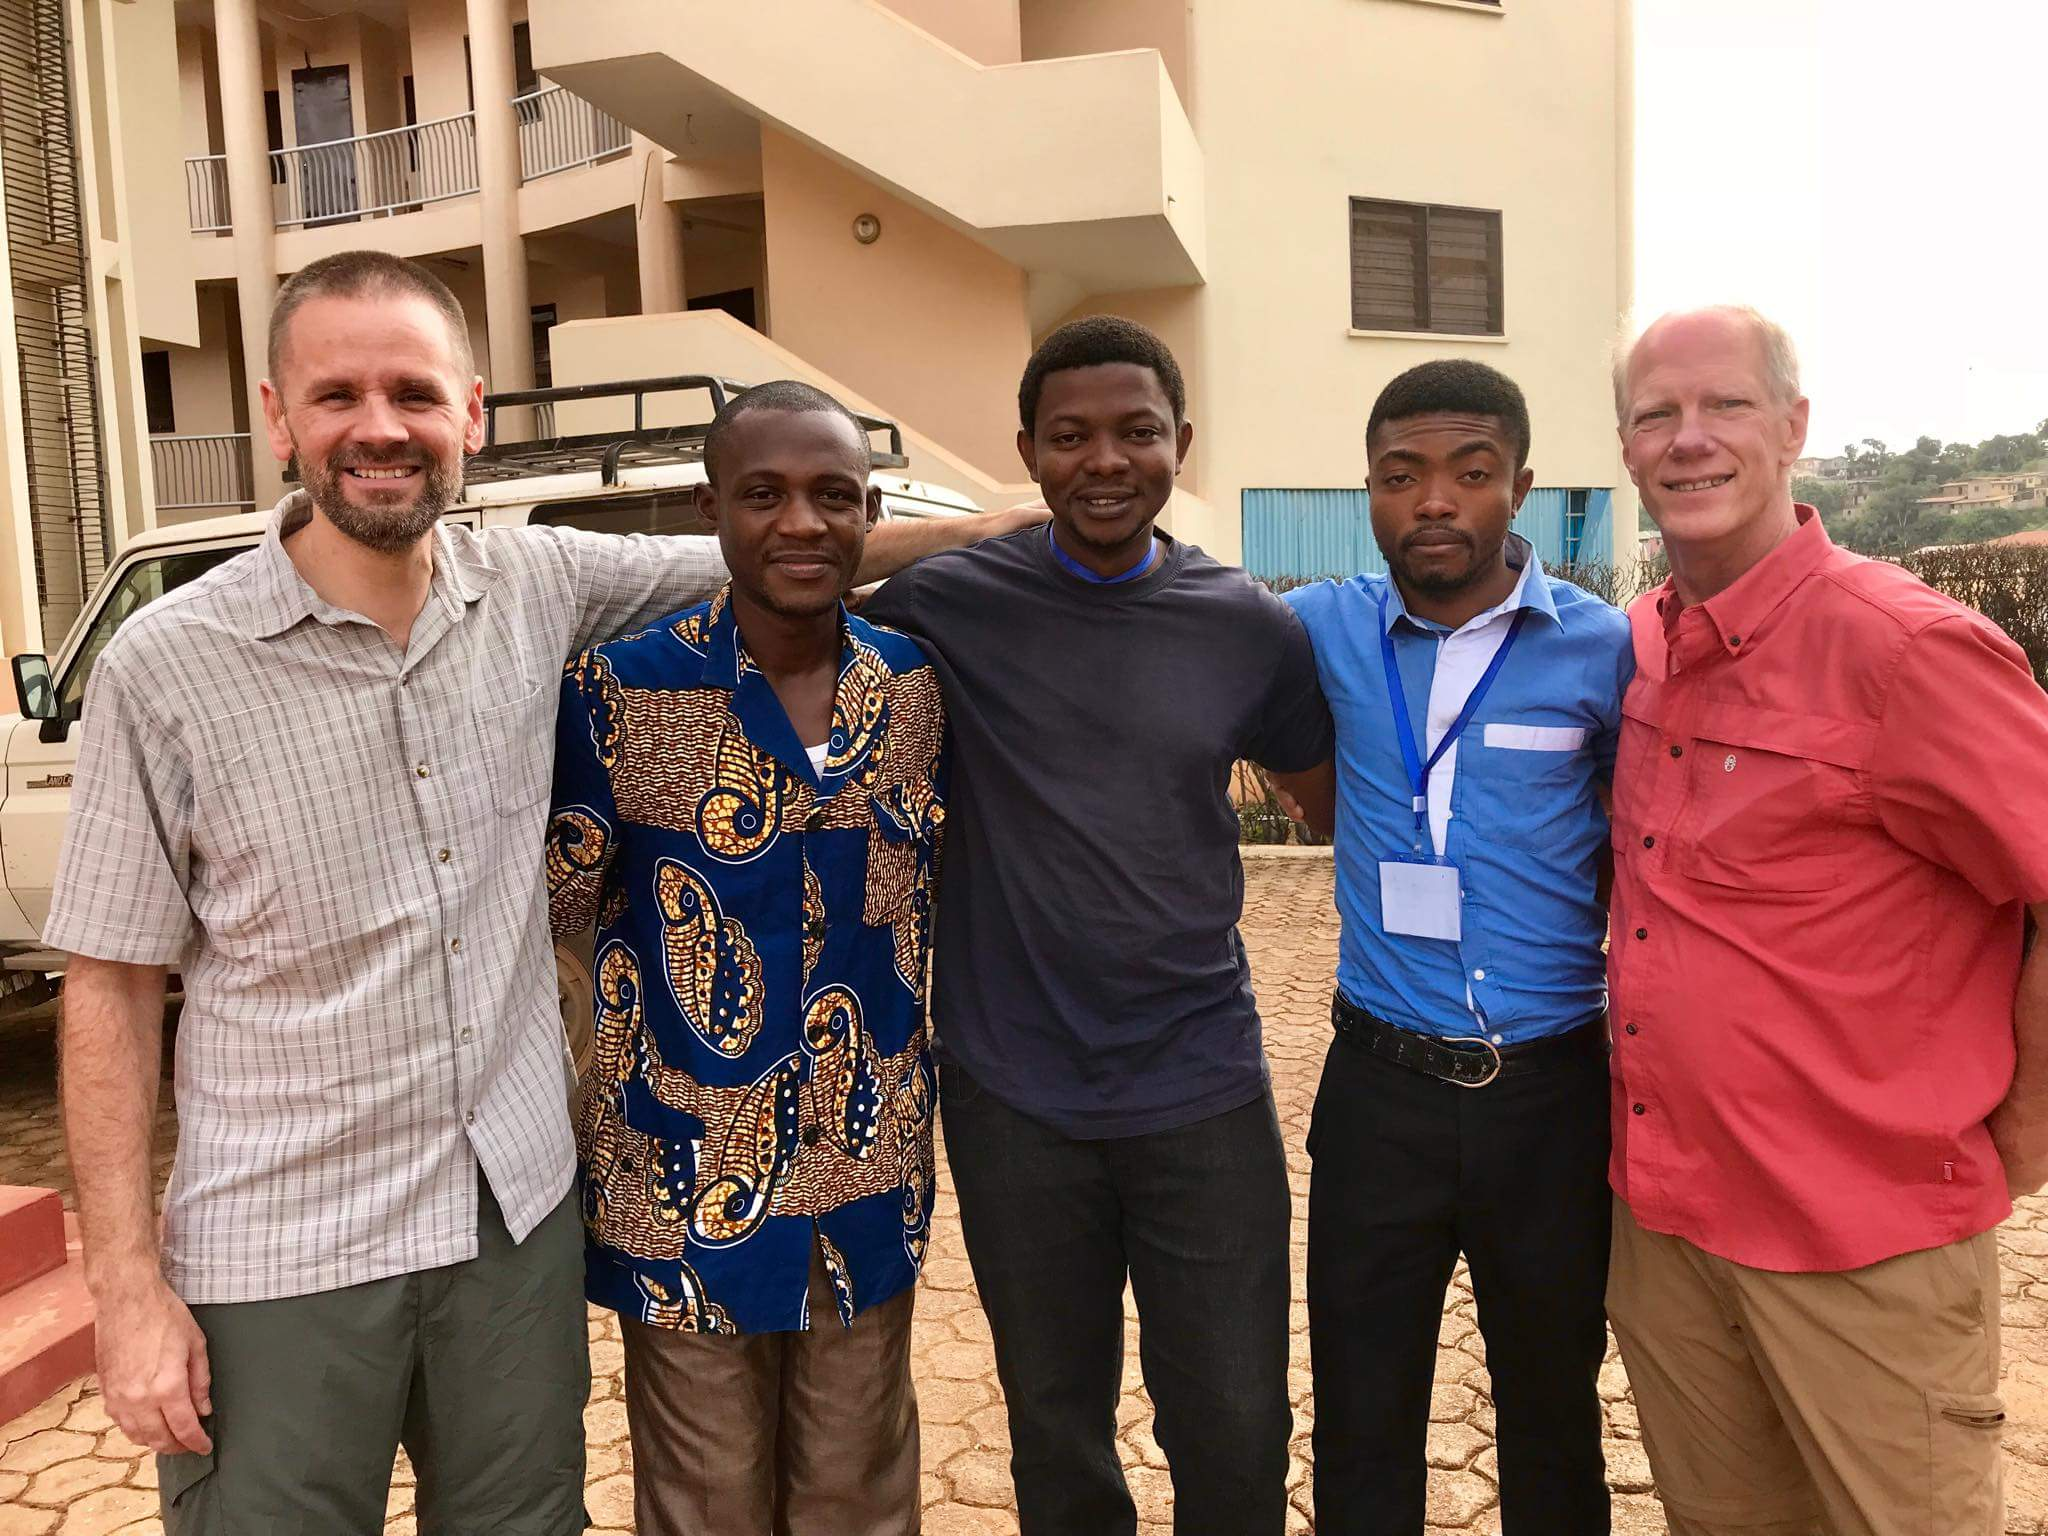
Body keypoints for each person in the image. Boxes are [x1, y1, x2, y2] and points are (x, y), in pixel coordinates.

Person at [46, 249, 1040, 1534]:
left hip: (508, 1228)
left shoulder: (537, 589)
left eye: (413, 392)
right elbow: (110, 984)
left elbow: (776, 552)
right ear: (278, 419)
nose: (380, 427)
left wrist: (1001, 528)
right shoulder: (167, 665)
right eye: (338, 395)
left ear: (468, 414)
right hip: (282, 1244)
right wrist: (125, 1288)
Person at [859, 315, 1333, 1536]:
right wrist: (966, 528)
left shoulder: (1244, 624)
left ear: (1182, 441)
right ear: (1027, 451)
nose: (1105, 461)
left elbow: (1322, 800)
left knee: (1233, 1419)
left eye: (1136, 432)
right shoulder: (947, 602)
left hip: (1200, 1083)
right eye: (1068, 437)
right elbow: (793, 565)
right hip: (1012, 1090)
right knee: (1055, 1420)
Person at [1604, 304, 2048, 1535]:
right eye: (1654, 415)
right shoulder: (1637, 649)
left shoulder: (1906, 651)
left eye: (1725, 405)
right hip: (1666, 1229)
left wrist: (2022, 1130)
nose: (1688, 439)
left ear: (1792, 427)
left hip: (1864, 1246)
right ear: (1626, 448)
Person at [546, 380, 945, 1535]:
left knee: (858, 1495)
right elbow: (558, 911)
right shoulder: (618, 693)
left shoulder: (914, 689)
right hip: (677, 1190)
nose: (800, 523)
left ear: (869, 513)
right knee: (704, 1503)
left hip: (866, 1177)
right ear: (710, 508)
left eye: (833, 495)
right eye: (763, 494)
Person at [1276, 359, 1627, 1534]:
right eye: (1400, 475)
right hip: (1378, 1094)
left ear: (1518, 487)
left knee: (1552, 1410)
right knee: (1360, 1412)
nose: (1433, 500)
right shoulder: (1316, 628)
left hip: (1551, 1097)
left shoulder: (1602, 650)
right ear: (1368, 492)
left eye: (1469, 473)